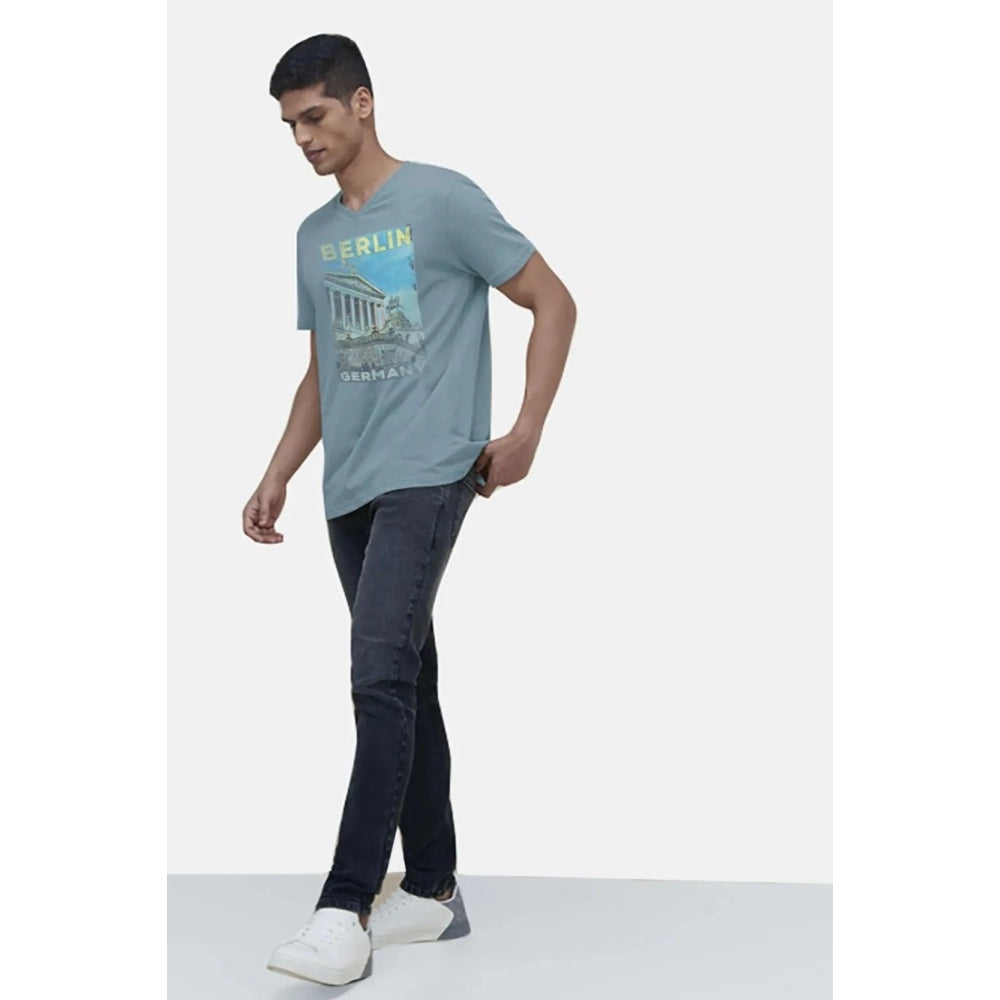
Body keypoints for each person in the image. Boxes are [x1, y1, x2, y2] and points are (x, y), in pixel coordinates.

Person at [245, 33, 576, 987]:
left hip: (429, 472)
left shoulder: (442, 200)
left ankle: (344, 907)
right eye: (289, 125)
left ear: (362, 102)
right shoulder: (315, 236)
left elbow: (552, 301)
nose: (303, 138)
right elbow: (326, 368)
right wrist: (278, 471)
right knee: (408, 675)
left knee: (377, 676)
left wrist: (527, 429)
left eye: (315, 116)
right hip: (347, 485)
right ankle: (431, 890)